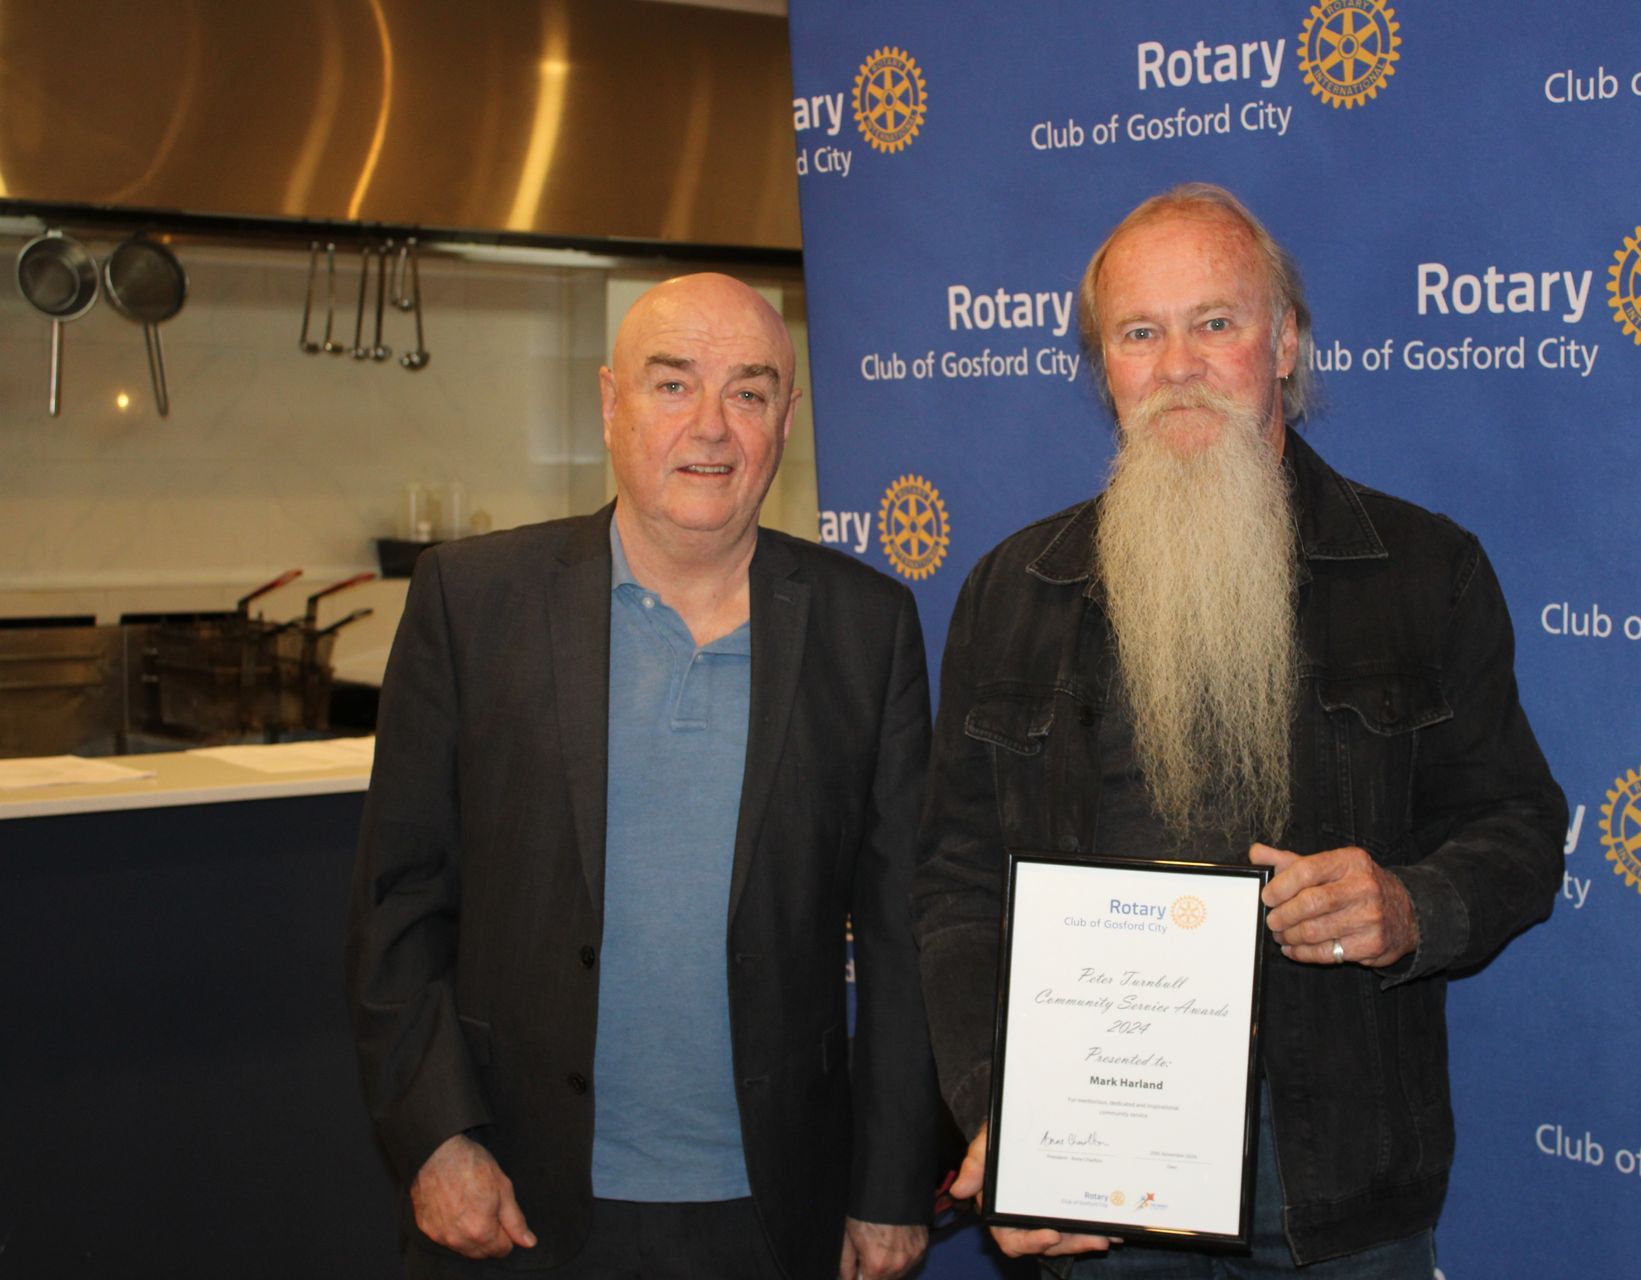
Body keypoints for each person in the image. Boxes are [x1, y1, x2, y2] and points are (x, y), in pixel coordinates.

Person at [911, 184, 1568, 1276]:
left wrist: (1410, 904)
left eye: (1214, 322)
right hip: (1097, 1189)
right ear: (1106, 366)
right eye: (1139, 333)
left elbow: (1520, 827)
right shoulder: (1011, 591)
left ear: (1286, 342)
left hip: (1336, 1201)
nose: (1177, 365)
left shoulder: (1424, 572)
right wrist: (1002, 1112)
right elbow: (957, 885)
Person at [347, 273, 940, 1280]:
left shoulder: (866, 626)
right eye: (673, 385)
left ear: (787, 419)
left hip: (774, 1209)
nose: (712, 427)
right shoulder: (472, 601)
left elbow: (902, 932)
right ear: (609, 402)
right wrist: (436, 1135)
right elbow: (397, 901)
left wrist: (889, 1182)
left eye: (749, 392)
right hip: (518, 1197)